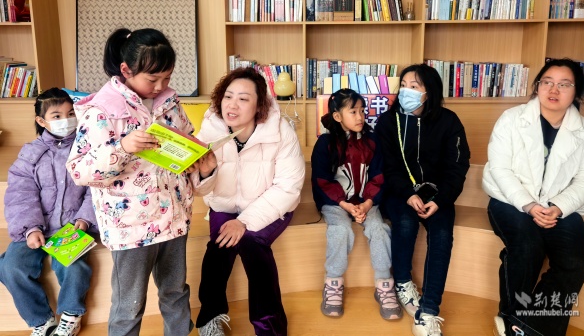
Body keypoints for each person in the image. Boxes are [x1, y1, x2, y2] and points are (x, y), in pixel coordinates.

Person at [66, 28, 201, 336]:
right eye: (152, 79)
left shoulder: (170, 102)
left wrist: (200, 162)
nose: (161, 86)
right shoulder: (102, 111)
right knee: (129, 305)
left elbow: (186, 146)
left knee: (175, 293)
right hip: (130, 227)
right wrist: (123, 148)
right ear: (126, 70)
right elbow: (79, 171)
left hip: (173, 219)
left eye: (167, 77)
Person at [483, 58, 584, 336]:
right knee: (527, 246)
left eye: (564, 84)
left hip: (562, 206)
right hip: (510, 200)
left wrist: (559, 207)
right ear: (537, 86)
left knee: (575, 261)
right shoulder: (512, 119)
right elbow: (500, 168)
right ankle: (512, 316)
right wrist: (529, 205)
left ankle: (528, 328)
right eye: (547, 82)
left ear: (576, 91)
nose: (554, 90)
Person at [194, 67, 305, 336]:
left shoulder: (281, 132)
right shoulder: (209, 131)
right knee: (218, 247)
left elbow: (288, 188)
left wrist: (244, 222)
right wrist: (207, 173)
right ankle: (210, 317)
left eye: (243, 99)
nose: (232, 105)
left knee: (251, 243)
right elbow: (200, 189)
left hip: (270, 206)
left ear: (259, 105)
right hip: (225, 205)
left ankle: (270, 328)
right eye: (228, 96)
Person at [375, 63, 470, 336]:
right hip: (400, 192)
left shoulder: (449, 121)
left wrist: (441, 198)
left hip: (438, 195)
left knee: (442, 234)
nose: (407, 91)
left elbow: (457, 166)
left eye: (414, 86)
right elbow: (387, 167)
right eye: (404, 85)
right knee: (405, 223)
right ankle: (403, 282)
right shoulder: (388, 121)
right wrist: (408, 194)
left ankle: (428, 311)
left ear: (429, 92)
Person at [0, 87, 97, 336]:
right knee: (11, 266)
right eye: (57, 116)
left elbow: (96, 188)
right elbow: (20, 194)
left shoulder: (87, 150)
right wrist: (30, 228)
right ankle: (41, 320)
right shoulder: (31, 154)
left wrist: (84, 219)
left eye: (70, 113)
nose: (66, 120)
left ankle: (71, 315)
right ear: (41, 121)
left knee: (74, 266)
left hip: (72, 226)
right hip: (35, 227)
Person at [311, 89, 401, 320]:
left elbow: (379, 176)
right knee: (340, 229)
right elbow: (322, 180)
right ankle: (333, 282)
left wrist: (368, 203)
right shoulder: (325, 144)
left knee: (379, 229)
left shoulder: (372, 141)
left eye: (362, 110)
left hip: (367, 202)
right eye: (353, 112)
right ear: (337, 116)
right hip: (336, 204)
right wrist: (345, 205)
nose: (360, 116)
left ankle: (384, 283)